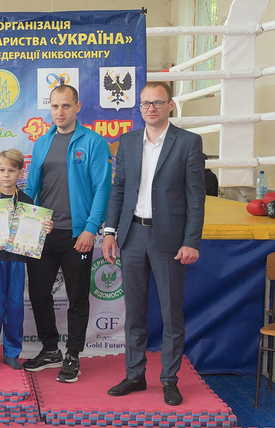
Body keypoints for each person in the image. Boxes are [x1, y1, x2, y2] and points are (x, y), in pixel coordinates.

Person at [103, 82, 205, 406]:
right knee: (134, 312)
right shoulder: (128, 141)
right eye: (146, 103)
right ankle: (135, 375)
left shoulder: (188, 142)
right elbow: (119, 189)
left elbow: (196, 197)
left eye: (158, 103)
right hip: (131, 235)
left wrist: (191, 241)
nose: (151, 108)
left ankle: (169, 380)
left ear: (170, 105)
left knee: (171, 313)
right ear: (140, 106)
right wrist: (109, 231)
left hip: (170, 239)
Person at [24, 84, 112, 383]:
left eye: (65, 105)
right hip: (42, 233)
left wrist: (90, 229)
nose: (59, 112)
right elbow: (32, 187)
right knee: (38, 294)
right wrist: (23, 222)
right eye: (54, 106)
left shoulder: (94, 142)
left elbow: (102, 189)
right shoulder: (42, 142)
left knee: (77, 298)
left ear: (77, 107)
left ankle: (73, 354)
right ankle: (51, 349)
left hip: (77, 235)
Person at [0, 149, 53, 371]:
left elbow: (34, 233)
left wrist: (44, 228)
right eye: (2, 170)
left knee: (15, 306)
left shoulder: (27, 202)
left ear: (20, 172)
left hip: (17, 260)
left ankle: (11, 352)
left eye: (12, 170)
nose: (6, 174)